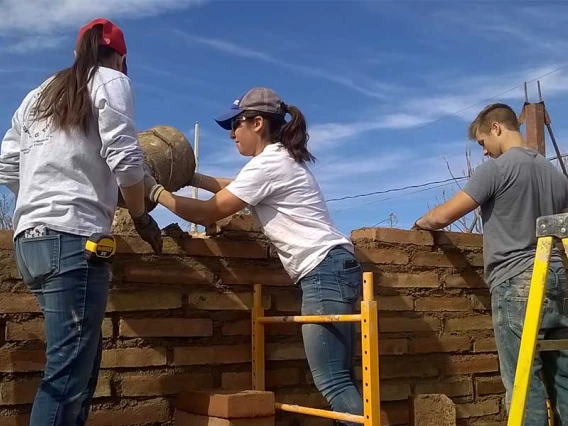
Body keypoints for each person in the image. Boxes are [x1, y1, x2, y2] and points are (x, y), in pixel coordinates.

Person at [146, 87, 364, 424]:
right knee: (342, 377)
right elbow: (236, 186)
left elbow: (207, 214)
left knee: (333, 381)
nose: (232, 134)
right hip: (335, 267)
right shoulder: (277, 160)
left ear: (258, 123)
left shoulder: (269, 165)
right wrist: (192, 177)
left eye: (236, 125)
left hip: (323, 272)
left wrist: (154, 191)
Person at [0, 17, 162, 426]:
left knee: (81, 370)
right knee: (67, 377)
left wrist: (38, 203)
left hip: (30, 244)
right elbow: (125, 158)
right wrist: (141, 215)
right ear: (121, 58)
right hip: (73, 242)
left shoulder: (38, 95)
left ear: (77, 52)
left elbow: (7, 165)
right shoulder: (110, 80)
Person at [412, 103, 568, 425]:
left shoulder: (496, 170)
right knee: (564, 382)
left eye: (483, 142)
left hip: (517, 283)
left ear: (496, 128)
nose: (484, 152)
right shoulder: (556, 175)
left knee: (525, 387)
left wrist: (420, 224)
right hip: (558, 282)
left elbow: (442, 216)